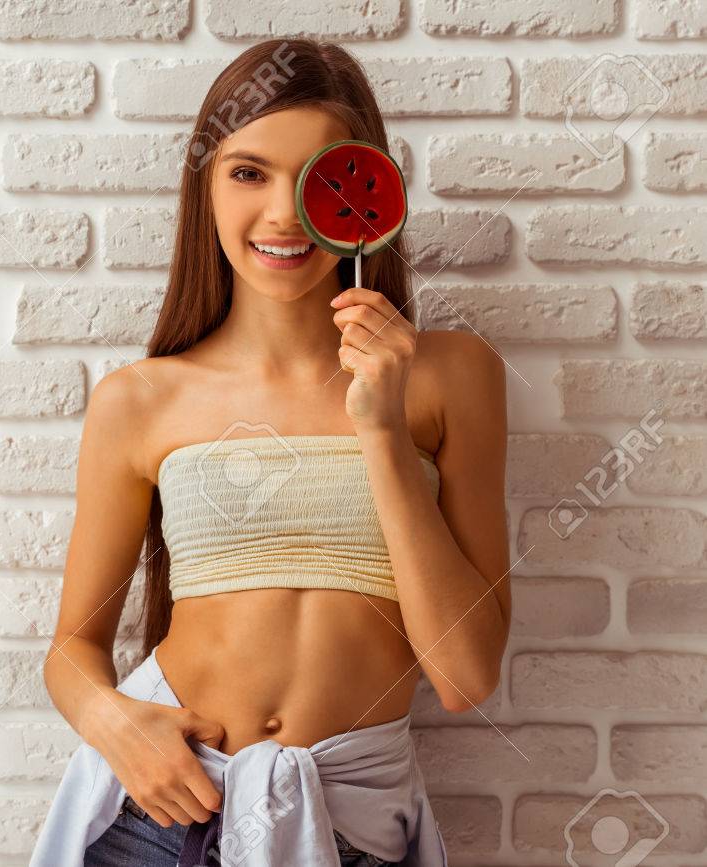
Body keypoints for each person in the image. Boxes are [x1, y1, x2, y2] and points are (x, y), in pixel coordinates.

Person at [31, 37, 511, 867]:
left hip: (352, 824)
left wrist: (383, 430)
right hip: (161, 817)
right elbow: (73, 645)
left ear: (367, 196)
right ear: (205, 188)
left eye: (321, 178)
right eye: (248, 173)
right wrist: (115, 724)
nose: (285, 214)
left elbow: (467, 678)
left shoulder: (451, 375)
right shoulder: (140, 399)